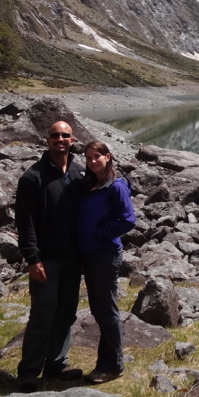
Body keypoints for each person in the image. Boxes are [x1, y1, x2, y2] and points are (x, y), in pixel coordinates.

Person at [13, 120, 86, 392]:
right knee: (43, 312)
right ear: (47, 140)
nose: (60, 139)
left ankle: (57, 363)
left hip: (73, 258)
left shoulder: (79, 174)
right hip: (46, 259)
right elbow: (26, 222)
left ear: (72, 140)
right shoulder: (33, 177)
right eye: (55, 135)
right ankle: (29, 370)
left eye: (65, 135)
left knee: (66, 311)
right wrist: (32, 259)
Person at [77, 140, 136, 384]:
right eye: (88, 158)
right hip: (91, 254)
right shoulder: (92, 184)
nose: (92, 162)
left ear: (108, 157)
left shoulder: (115, 187)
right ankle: (107, 362)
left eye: (96, 157)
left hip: (105, 254)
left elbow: (128, 220)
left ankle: (112, 365)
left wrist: (99, 233)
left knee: (106, 310)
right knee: (100, 309)